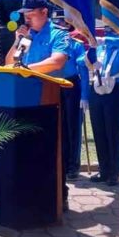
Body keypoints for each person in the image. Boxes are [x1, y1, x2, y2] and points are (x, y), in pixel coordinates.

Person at [4, 0, 72, 208]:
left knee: (55, 145)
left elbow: (57, 61)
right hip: (28, 95)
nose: (27, 20)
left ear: (44, 12)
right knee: (31, 144)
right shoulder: (27, 35)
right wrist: (17, 40)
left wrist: (25, 70)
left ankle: (59, 195)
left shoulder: (58, 34)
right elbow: (9, 63)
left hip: (56, 94)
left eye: (31, 15)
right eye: (25, 16)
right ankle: (33, 192)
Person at [79, 24, 119, 186]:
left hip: (114, 91)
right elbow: (82, 60)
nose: (108, 31)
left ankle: (115, 171)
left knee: (113, 132)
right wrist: (90, 59)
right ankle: (104, 170)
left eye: (112, 29)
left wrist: (107, 40)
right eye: (107, 29)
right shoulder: (101, 48)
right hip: (97, 89)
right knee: (99, 131)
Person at [51, 10, 84, 181]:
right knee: (58, 125)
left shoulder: (76, 44)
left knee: (72, 125)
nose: (59, 26)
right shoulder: (52, 42)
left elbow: (84, 70)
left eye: (62, 23)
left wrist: (85, 95)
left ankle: (73, 165)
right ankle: (61, 162)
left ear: (68, 24)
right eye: (56, 23)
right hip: (54, 84)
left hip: (71, 85)